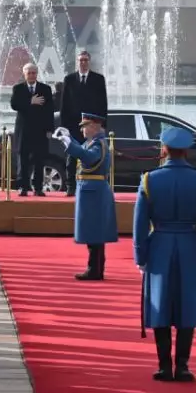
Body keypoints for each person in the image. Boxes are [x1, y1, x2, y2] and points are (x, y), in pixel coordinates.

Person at [133, 126, 196, 382]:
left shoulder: (149, 179)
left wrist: (141, 256)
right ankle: (182, 366)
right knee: (187, 305)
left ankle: (163, 366)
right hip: (190, 246)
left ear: (164, 149)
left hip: (159, 245)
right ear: (186, 152)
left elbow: (139, 225)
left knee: (159, 304)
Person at [57, 113, 118, 280]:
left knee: (95, 233)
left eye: (85, 126)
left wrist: (70, 145)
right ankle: (95, 268)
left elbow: (89, 157)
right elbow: (83, 150)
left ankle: (94, 269)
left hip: (94, 192)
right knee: (93, 232)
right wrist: (69, 140)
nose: (82, 129)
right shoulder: (92, 142)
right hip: (91, 191)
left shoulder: (99, 144)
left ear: (94, 126)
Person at [56, 51, 108, 196]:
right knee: (71, 157)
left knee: (91, 156)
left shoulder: (98, 79)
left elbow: (103, 103)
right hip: (73, 125)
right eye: (80, 60)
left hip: (92, 126)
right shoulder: (69, 79)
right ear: (77, 62)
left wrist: (102, 125)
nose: (83, 62)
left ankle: (90, 185)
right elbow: (64, 105)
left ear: (89, 61)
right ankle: (70, 187)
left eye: (85, 60)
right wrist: (64, 126)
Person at [9, 62, 55, 196]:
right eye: (28, 73)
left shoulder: (45, 89)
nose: (31, 75)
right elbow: (14, 104)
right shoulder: (18, 89)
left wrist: (49, 129)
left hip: (40, 131)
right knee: (22, 159)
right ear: (24, 74)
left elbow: (49, 110)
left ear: (37, 74)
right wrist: (30, 101)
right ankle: (23, 187)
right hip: (24, 130)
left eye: (33, 73)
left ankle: (38, 187)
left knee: (39, 159)